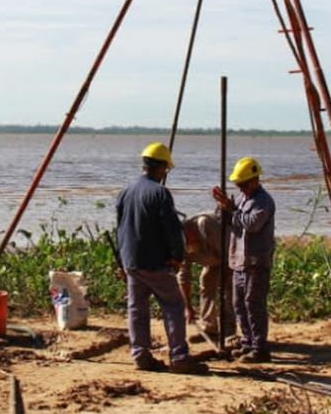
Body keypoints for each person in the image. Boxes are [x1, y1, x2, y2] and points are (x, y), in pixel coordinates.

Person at [114, 142, 207, 375]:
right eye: (166, 169)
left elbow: (121, 228)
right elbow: (172, 230)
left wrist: (122, 261)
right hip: (155, 263)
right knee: (173, 305)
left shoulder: (126, 191)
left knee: (137, 308)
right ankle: (179, 356)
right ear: (162, 168)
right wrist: (177, 257)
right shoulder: (160, 193)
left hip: (132, 261)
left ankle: (141, 355)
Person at [212, 156, 275, 363]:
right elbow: (227, 220)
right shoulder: (241, 199)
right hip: (239, 261)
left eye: (244, 184)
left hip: (256, 262)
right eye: (239, 185)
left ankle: (259, 347)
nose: (242, 188)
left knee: (253, 304)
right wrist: (222, 207)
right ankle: (248, 342)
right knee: (239, 304)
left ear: (255, 180)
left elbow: (251, 224)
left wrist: (232, 210)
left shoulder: (264, 201)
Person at [178, 211, 232, 342]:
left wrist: (228, 274)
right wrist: (188, 307)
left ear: (188, 228)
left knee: (228, 291)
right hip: (213, 261)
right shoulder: (180, 244)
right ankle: (210, 328)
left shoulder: (205, 224)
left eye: (188, 239)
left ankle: (229, 332)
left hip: (229, 257)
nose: (188, 244)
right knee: (206, 281)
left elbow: (228, 250)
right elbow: (183, 276)